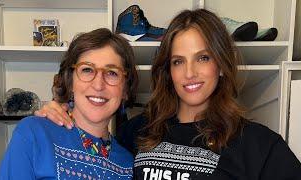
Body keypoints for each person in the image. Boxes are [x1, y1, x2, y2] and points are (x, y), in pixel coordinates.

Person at [35, 9, 301, 179]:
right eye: (178, 61)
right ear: (168, 70)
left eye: (203, 58)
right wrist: (61, 114)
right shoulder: (136, 132)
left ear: (220, 65)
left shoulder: (259, 144)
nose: (189, 73)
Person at [0, 28, 138, 179]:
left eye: (112, 73)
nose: (98, 85)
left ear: (125, 89)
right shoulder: (34, 134)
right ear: (70, 82)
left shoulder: (127, 164)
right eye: (87, 70)